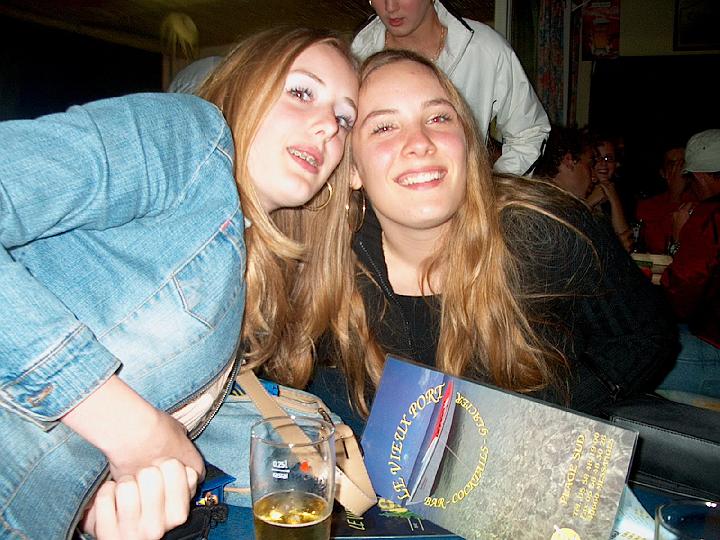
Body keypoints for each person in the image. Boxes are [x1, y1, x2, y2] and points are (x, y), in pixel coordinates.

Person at [0, 27, 358, 539]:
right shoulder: (189, 137)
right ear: (245, 86)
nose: (327, 127)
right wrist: (130, 430)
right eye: (302, 92)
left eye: (344, 119)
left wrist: (100, 503)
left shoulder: (242, 268)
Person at [307, 49, 676, 433]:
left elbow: (647, 336)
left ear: (468, 144)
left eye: (438, 118)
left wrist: (546, 411)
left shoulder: (544, 228)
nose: (420, 142)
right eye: (384, 127)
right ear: (352, 169)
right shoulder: (330, 273)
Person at [351, 0, 550, 176]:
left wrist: (492, 191)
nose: (390, 7)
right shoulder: (356, 57)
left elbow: (529, 132)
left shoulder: (483, 49)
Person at [657, 129, 720, 399]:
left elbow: (680, 295)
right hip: (706, 330)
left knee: (624, 357)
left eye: (691, 179)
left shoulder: (710, 215)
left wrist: (680, 239)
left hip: (715, 351)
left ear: (701, 176)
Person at [534, 127, 634, 251]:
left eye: (609, 159)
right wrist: (613, 250)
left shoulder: (558, 204)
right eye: (590, 165)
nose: (594, 177)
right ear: (569, 161)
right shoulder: (542, 207)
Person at [635, 143, 695, 254]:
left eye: (683, 163)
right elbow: (657, 246)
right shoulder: (648, 206)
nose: (679, 169)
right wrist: (676, 194)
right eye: (673, 165)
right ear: (663, 173)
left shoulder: (702, 201)